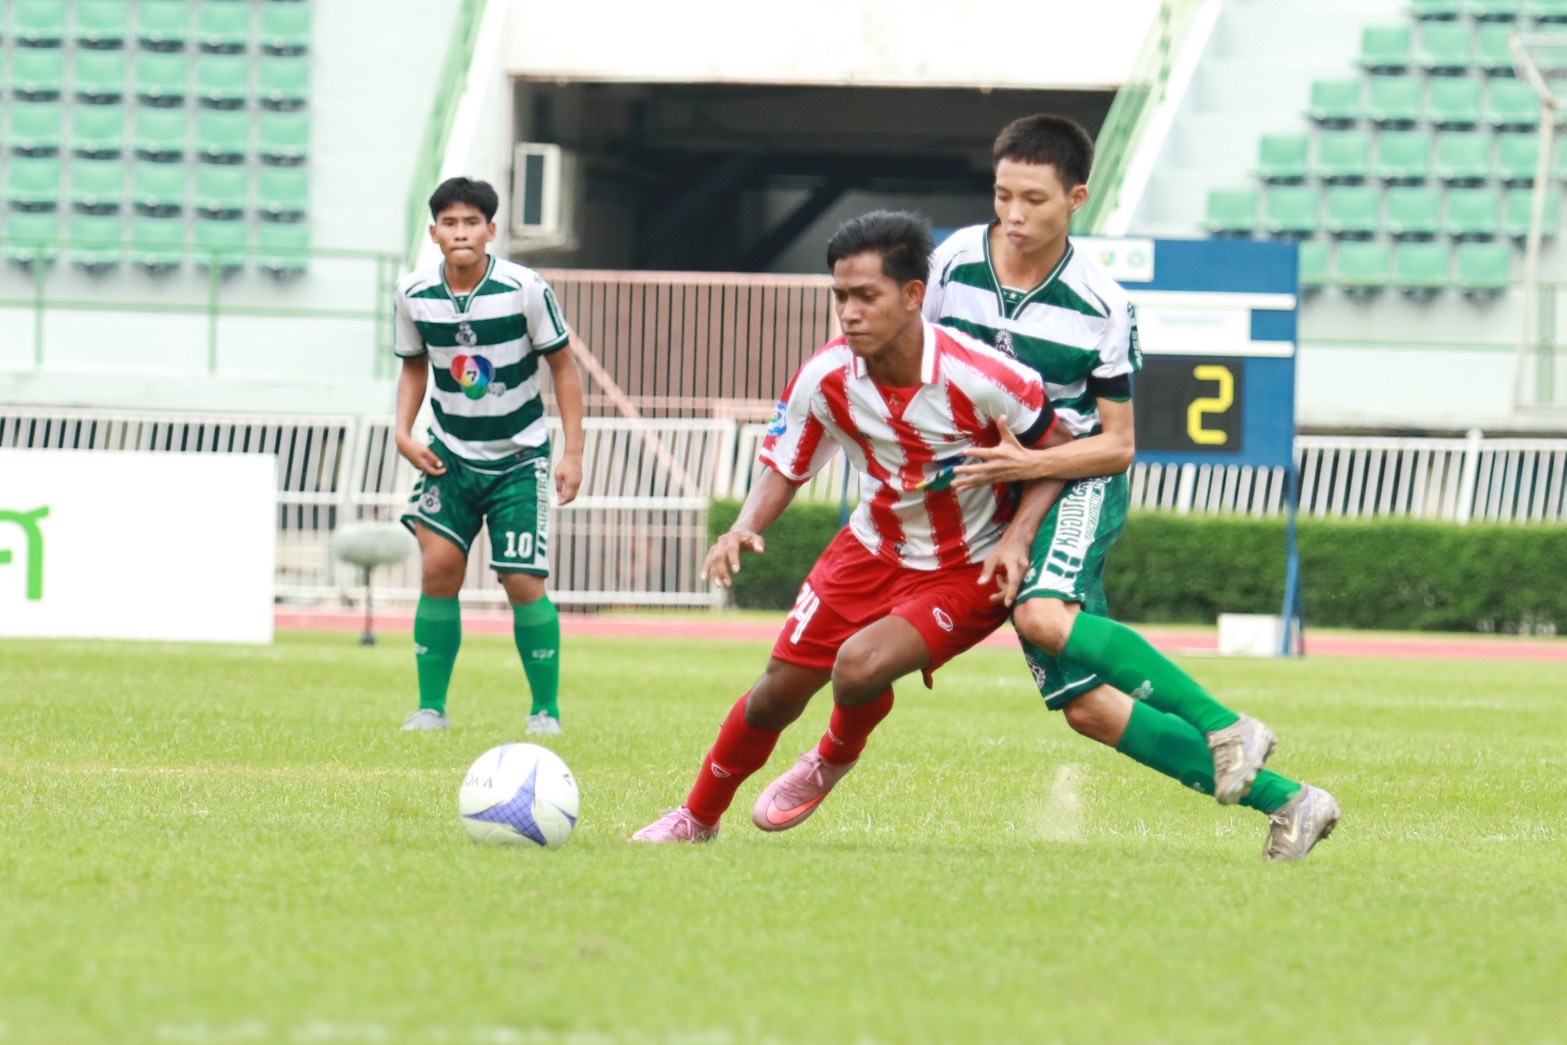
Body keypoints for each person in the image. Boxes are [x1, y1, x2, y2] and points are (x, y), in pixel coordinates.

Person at [926, 114, 1339, 861]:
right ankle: (1293, 802)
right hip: (999, 494)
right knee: (1088, 709)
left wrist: (1029, 471)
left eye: (1034, 200)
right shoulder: (952, 263)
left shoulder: (1101, 304)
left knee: (1043, 615)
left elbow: (1117, 446)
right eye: (1002, 195)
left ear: (1076, 198)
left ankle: (1226, 725)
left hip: (1076, 479)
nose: (1014, 215)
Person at [632, 210, 1066, 843]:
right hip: (869, 551)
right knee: (773, 696)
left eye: (867, 296)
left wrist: (1019, 535)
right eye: (841, 296)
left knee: (859, 667)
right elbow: (786, 466)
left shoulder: (983, 376)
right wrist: (743, 525)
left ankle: (832, 757)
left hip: (968, 566)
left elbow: (1058, 455)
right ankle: (696, 819)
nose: (849, 313)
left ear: (913, 295)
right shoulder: (825, 376)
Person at [392, 176, 586, 735]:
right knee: (437, 570)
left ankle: (545, 711)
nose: (461, 232)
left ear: (491, 230)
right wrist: (403, 433)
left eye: (472, 222)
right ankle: (431, 708)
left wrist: (572, 452)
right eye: (450, 223)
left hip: (519, 457)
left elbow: (563, 367)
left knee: (521, 581)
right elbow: (414, 367)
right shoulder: (412, 293)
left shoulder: (525, 288)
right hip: (448, 454)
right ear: (434, 233)